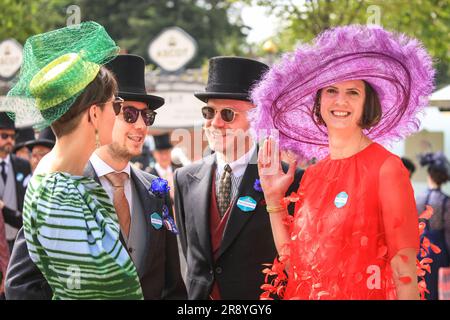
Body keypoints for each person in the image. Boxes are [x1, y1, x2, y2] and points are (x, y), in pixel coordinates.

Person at [251, 25, 435, 300]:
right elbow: (295, 267)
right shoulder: (312, 175)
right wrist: (274, 199)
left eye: (353, 92)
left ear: (367, 103)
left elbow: (404, 268)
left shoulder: (387, 168)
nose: (340, 101)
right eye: (331, 90)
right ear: (319, 101)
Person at [5, 54, 186, 300]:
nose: (142, 125)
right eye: (126, 112)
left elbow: (171, 284)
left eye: (148, 116)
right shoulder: (60, 185)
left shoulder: (155, 189)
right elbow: (24, 284)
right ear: (94, 114)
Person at [174, 56, 303, 300]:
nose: (215, 122)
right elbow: (191, 258)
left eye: (228, 114)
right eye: (208, 111)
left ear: (257, 120)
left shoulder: (290, 180)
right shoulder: (184, 179)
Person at [416, 152, 450, 300]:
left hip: (420, 247)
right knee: (438, 289)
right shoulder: (445, 201)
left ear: (429, 174)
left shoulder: (418, 198)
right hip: (439, 247)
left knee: (421, 287)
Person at [0, 113, 31, 252]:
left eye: (12, 137)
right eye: (4, 136)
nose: (10, 141)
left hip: (16, 237)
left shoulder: (23, 165)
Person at [148, 133, 181, 201]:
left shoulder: (178, 172)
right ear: (154, 154)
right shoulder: (149, 175)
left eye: (167, 152)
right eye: (160, 153)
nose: (164, 156)